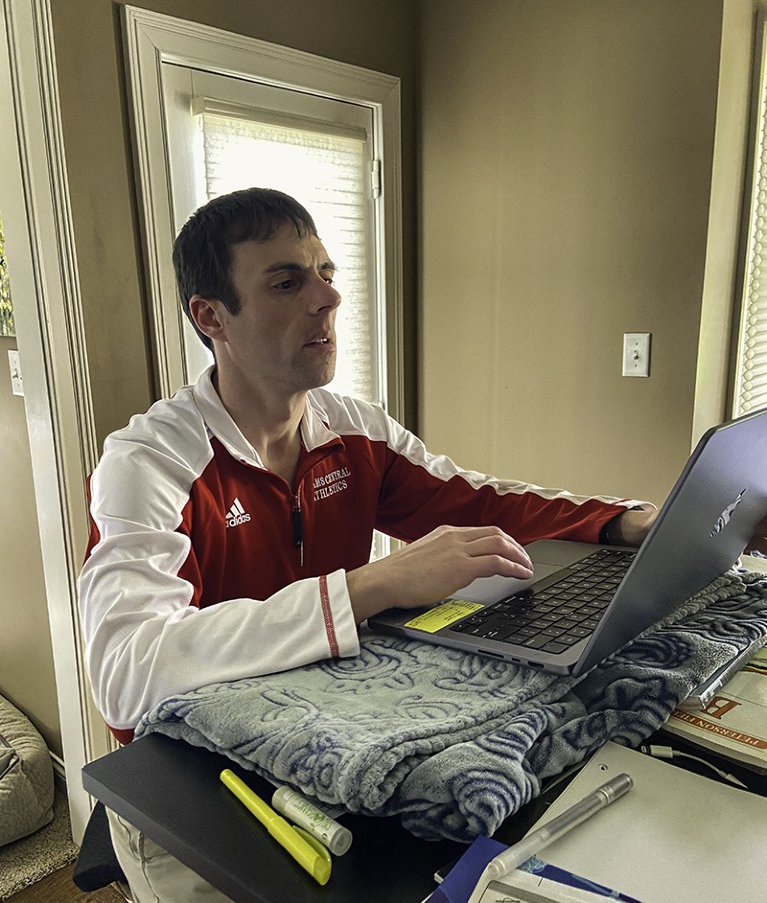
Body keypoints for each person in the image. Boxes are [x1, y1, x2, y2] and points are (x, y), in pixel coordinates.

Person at [77, 187, 664, 902]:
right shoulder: (149, 463)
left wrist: (624, 522)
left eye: (325, 273)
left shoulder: (353, 429)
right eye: (287, 283)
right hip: (197, 790)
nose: (328, 298)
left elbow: (479, 502)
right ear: (211, 317)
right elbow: (125, 674)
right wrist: (365, 589)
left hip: (333, 750)